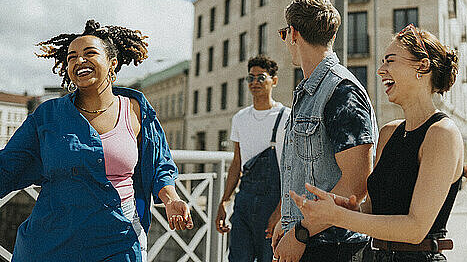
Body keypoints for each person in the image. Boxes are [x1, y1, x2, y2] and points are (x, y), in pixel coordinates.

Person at [0, 20, 193, 261]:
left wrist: (171, 198)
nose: (79, 61)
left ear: (112, 63)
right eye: (71, 57)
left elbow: (159, 166)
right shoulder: (47, 115)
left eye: (89, 53)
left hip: (118, 238)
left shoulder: (136, 110)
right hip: (53, 240)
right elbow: (7, 166)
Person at [289, 23, 463, 262]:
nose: (381, 70)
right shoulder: (389, 132)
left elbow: (415, 229)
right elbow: (374, 208)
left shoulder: (442, 133)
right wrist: (341, 207)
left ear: (422, 67)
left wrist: (337, 217)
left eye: (390, 61)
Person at [271, 0, 378, 262]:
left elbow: (356, 184)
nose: (285, 41)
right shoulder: (309, 92)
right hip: (310, 240)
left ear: (293, 33)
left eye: (284, 33)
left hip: (333, 247)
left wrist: (300, 233)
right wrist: (285, 222)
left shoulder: (341, 90)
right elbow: (305, 169)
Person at [215, 55, 291, 261]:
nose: (255, 83)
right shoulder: (240, 118)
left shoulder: (286, 117)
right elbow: (236, 163)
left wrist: (281, 210)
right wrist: (225, 201)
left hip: (273, 201)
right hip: (244, 201)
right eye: (251, 78)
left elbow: (291, 169)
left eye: (261, 78)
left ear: (274, 80)